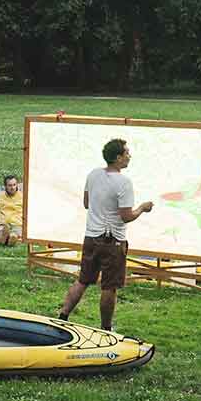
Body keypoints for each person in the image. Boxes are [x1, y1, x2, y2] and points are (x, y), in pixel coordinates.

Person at [57, 139, 153, 332]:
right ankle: (106, 329)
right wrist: (143, 208)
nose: (129, 156)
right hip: (113, 241)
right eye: (127, 153)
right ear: (118, 158)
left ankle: (62, 316)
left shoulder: (93, 174)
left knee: (83, 280)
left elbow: (86, 203)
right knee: (109, 286)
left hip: (91, 237)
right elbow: (126, 216)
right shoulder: (124, 182)